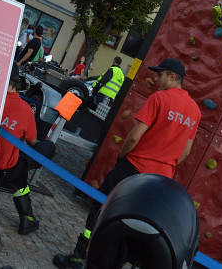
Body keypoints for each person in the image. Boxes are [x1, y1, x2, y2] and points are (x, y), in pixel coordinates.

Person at [53, 58, 202, 269]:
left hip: (133, 168)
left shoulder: (159, 98)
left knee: (101, 208)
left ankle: (80, 255)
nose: (156, 79)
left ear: (173, 77)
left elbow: (134, 137)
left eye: (160, 75)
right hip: (161, 181)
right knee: (134, 221)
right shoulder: (194, 111)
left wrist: (123, 156)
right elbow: (186, 152)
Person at [0, 63, 55, 234]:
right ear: (17, 82)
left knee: (18, 161)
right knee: (47, 147)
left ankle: (27, 217)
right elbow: (32, 142)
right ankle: (27, 218)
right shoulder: (24, 109)